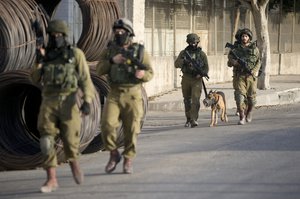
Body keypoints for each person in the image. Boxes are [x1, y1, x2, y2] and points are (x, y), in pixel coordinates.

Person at [30, 19, 96, 193]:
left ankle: (73, 161)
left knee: (70, 140)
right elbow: (34, 79)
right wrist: (39, 61)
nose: (56, 38)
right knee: (45, 140)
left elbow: (85, 79)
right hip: (49, 101)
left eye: (59, 35)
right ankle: (51, 178)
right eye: (53, 35)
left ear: (65, 36)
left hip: (69, 101)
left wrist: (88, 100)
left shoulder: (75, 54)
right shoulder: (45, 55)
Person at [96, 18, 153, 174]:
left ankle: (128, 159)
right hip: (114, 93)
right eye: (116, 32)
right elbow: (99, 69)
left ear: (129, 33)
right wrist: (112, 61)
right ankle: (114, 154)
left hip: (133, 94)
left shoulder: (140, 51)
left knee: (132, 129)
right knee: (106, 125)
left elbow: (150, 73)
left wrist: (142, 75)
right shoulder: (110, 51)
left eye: (122, 32)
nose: (118, 34)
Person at [174, 33, 209, 128]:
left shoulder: (201, 54)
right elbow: (176, 64)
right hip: (186, 78)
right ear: (188, 43)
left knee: (195, 100)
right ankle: (188, 119)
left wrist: (201, 74)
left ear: (197, 42)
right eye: (191, 42)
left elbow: (206, 68)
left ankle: (194, 119)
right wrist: (184, 62)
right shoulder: (183, 53)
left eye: (194, 42)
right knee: (187, 100)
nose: (193, 44)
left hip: (197, 80)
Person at [227, 28, 260, 125]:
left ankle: (249, 112)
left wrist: (254, 71)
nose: (244, 38)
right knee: (239, 97)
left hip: (250, 77)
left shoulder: (255, 49)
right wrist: (234, 62)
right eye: (243, 36)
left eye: (246, 36)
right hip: (239, 76)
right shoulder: (235, 49)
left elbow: (259, 61)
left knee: (252, 99)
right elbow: (229, 61)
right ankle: (242, 116)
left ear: (249, 38)